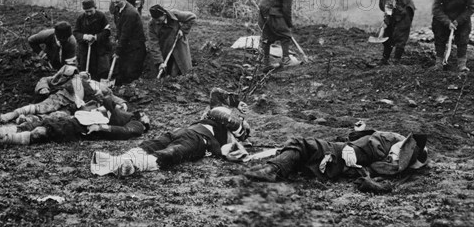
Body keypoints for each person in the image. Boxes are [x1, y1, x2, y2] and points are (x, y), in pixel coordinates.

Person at [91, 88, 250, 177]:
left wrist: (239, 132)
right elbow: (216, 96)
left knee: (167, 152)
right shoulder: (219, 115)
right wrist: (237, 102)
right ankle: (119, 161)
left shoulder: (232, 140)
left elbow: (232, 147)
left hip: (195, 137)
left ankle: (128, 164)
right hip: (190, 134)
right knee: (154, 146)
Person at [244, 129, 429, 193]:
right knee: (300, 154)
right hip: (336, 165)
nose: (394, 157)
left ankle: (272, 170)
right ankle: (279, 167)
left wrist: (353, 149)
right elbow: (368, 144)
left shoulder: (387, 143)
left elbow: (370, 145)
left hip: (336, 154)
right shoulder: (393, 157)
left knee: (300, 144)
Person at [0, 95, 150, 146]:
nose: (147, 115)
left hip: (83, 127)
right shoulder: (125, 112)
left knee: (42, 132)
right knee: (33, 124)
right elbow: (109, 100)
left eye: (147, 118)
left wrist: (102, 127)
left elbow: (126, 133)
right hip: (77, 118)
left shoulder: (136, 124)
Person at [0, 64, 125, 122]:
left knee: (57, 117)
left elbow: (112, 96)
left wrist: (122, 104)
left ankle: (27, 120)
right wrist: (43, 88)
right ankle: (12, 114)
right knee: (40, 107)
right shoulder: (63, 79)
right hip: (61, 97)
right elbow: (45, 80)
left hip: (77, 108)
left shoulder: (96, 85)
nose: (80, 77)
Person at [257, 0, 309, 69]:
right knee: (285, 35)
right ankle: (286, 61)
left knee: (266, 37)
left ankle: (265, 63)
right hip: (271, 12)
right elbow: (286, 8)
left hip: (263, 9)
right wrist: (289, 23)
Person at [373, 0, 416, 65]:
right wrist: (387, 17)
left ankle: (396, 62)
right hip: (393, 11)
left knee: (399, 36)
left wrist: (386, 19)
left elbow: (390, 1)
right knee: (387, 35)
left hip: (404, 11)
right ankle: (384, 60)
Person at [432, 0, 474, 72]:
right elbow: (436, 9)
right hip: (442, 18)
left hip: (462, 18)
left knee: (463, 39)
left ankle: (462, 65)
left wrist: (458, 21)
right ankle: (439, 64)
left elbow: (471, 8)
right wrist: (447, 22)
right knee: (439, 39)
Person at [147, 4, 197, 78]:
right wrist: (159, 62)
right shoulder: (151, 24)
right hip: (164, 48)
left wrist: (183, 30)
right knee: (164, 73)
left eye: (159, 20)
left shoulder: (175, 14)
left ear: (164, 14)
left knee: (183, 71)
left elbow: (192, 17)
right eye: (155, 20)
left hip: (178, 46)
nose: (157, 22)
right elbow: (153, 43)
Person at [111, 0, 147, 86]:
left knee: (131, 72)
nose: (115, 2)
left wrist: (118, 51)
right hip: (127, 44)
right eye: (113, 0)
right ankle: (121, 87)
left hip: (135, 47)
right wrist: (117, 38)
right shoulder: (118, 9)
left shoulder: (130, 13)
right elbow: (119, 27)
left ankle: (131, 91)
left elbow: (125, 34)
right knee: (122, 70)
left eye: (117, 0)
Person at [73, 0, 112, 79]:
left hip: (100, 47)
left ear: (95, 7)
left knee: (103, 70)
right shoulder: (81, 18)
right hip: (85, 48)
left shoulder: (101, 16)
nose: (89, 13)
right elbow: (76, 32)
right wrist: (84, 36)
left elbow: (107, 31)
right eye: (86, 11)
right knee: (85, 70)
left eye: (91, 11)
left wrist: (96, 37)